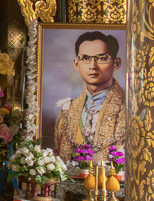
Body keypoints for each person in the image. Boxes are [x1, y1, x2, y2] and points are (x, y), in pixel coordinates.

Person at [54, 31, 126, 163]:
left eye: (102, 58)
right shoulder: (67, 111)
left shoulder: (129, 109)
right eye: (85, 58)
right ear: (76, 64)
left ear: (116, 63)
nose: (93, 66)